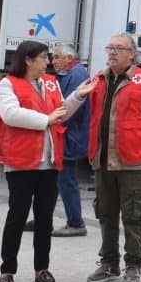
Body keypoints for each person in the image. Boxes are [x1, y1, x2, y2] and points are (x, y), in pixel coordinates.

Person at [0, 40, 89, 282]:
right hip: (22, 163)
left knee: (45, 219)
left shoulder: (50, 82)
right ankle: (7, 270)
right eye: (43, 57)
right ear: (28, 59)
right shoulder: (8, 84)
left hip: (48, 163)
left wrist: (78, 96)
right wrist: (45, 119)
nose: (47, 62)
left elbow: (60, 113)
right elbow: (10, 114)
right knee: (17, 216)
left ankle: (42, 268)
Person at [85, 34, 141, 282]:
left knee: (133, 214)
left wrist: (138, 142)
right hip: (103, 159)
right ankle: (108, 263)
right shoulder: (98, 80)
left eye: (119, 48)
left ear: (133, 54)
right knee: (106, 213)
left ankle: (133, 264)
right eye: (110, 47)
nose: (113, 52)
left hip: (134, 161)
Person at [51, 45, 90, 237]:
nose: (53, 61)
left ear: (68, 57)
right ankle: (45, 218)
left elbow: (67, 108)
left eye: (57, 57)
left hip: (69, 136)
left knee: (66, 180)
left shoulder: (75, 75)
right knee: (58, 179)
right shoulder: (74, 72)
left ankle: (76, 222)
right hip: (69, 135)